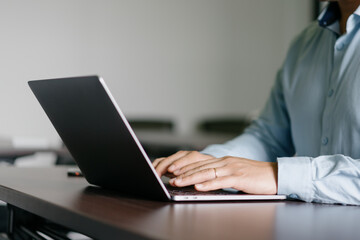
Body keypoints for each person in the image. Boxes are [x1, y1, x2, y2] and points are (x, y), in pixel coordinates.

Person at [153, 0, 360, 205]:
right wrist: (209, 164)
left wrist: (279, 175)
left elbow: (274, 168)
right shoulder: (304, 43)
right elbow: (269, 139)